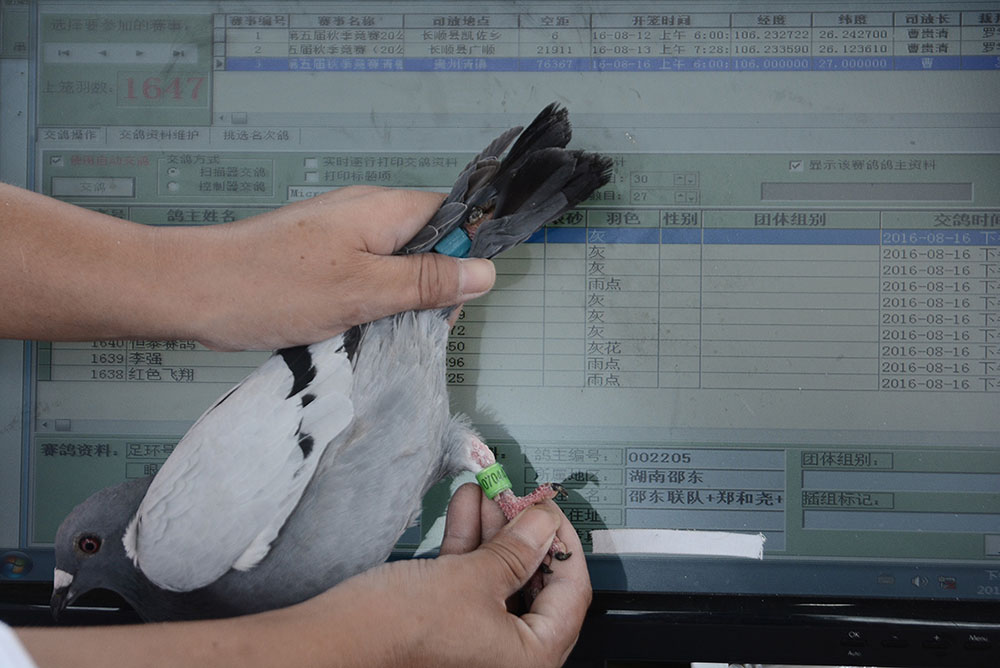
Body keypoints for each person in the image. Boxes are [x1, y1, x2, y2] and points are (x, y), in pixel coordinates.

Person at [0, 182, 591, 668]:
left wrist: (389, 641)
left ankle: (497, 200)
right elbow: (464, 448)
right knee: (466, 451)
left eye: (87, 548)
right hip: (395, 396)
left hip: (364, 374)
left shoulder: (171, 551)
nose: (68, 580)